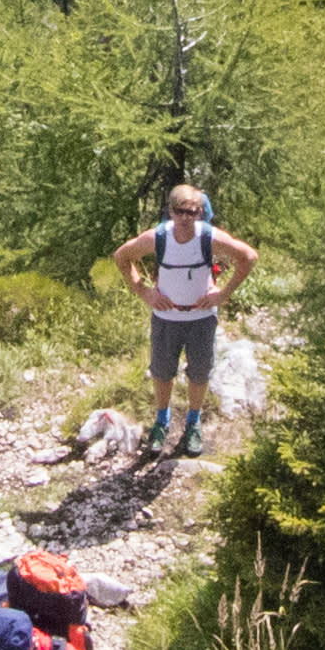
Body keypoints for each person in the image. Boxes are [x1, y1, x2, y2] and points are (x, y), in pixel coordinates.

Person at [106, 181, 256, 457]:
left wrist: (224, 293)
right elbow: (122, 257)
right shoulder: (157, 237)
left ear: (200, 212)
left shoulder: (208, 237)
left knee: (199, 373)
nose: (187, 218)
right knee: (162, 372)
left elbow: (248, 256)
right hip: (166, 318)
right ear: (171, 212)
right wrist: (143, 292)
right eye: (181, 212)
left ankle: (193, 423)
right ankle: (162, 422)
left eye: (193, 212)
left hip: (201, 319)